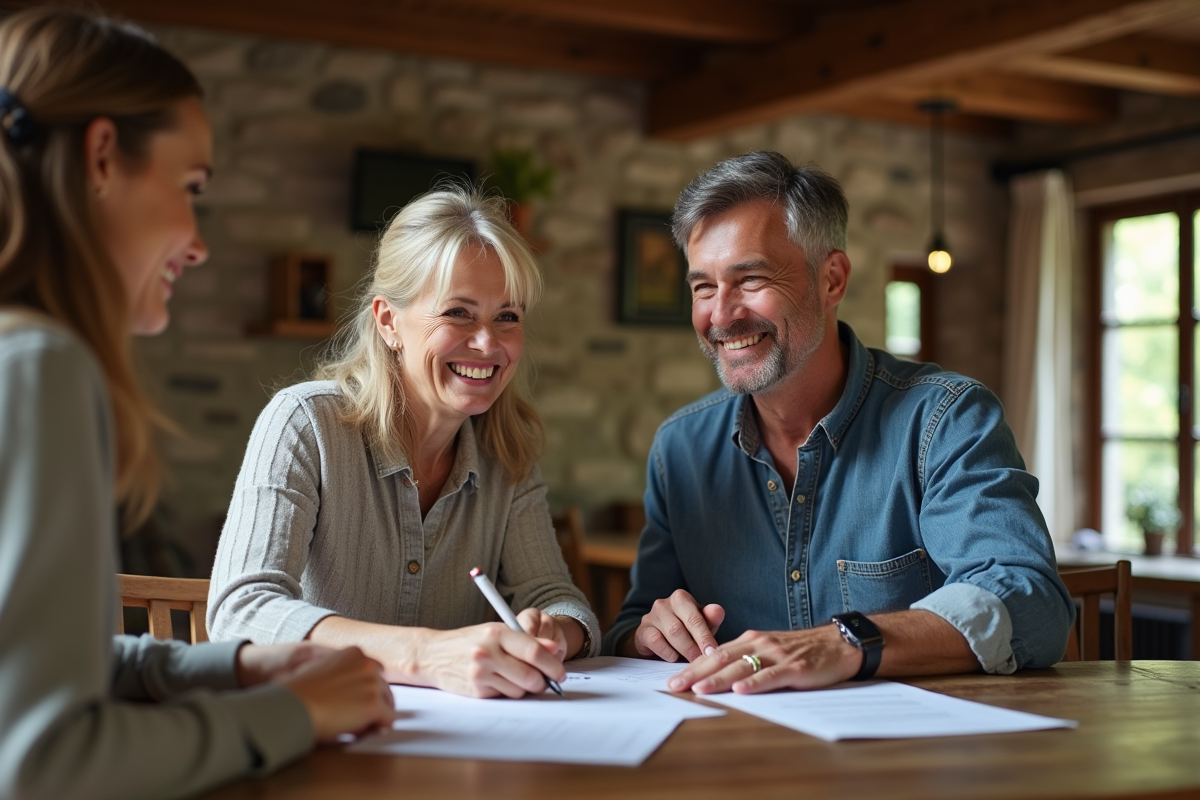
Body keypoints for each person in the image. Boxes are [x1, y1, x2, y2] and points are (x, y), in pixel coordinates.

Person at [0, 9, 397, 800]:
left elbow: (29, 662)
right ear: (102, 156)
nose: (199, 239)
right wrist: (290, 716)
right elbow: (38, 761)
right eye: (191, 189)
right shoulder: (36, 364)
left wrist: (231, 665)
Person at [602, 151, 1074, 694]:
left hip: (909, 762)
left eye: (750, 279)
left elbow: (1031, 602)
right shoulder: (679, 447)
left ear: (831, 279)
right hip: (740, 758)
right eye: (703, 287)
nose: (721, 314)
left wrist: (844, 642)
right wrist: (647, 634)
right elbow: (632, 626)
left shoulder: (946, 420)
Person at [208, 188, 601, 699]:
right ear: (388, 321)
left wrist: (551, 632)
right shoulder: (305, 423)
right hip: (316, 735)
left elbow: (558, 599)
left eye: (508, 316)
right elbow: (242, 612)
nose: (488, 343)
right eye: (458, 312)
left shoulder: (508, 454)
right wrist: (425, 656)